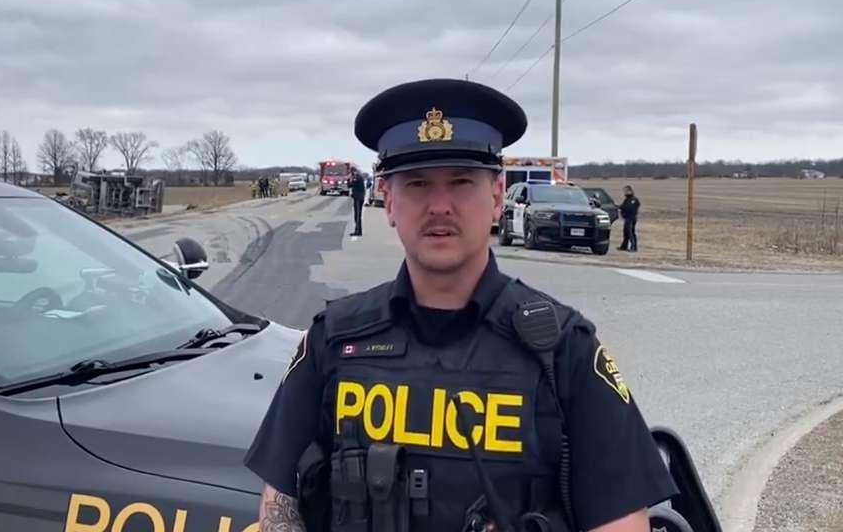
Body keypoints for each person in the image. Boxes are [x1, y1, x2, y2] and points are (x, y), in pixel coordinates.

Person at [244, 79, 677, 532]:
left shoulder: (565, 352)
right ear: (388, 201)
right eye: (416, 185)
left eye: (461, 183)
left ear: (496, 197)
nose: (439, 205)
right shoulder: (333, 341)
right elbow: (280, 509)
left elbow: (621, 523)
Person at [619, 185, 640, 251]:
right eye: (624, 191)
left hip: (631, 218)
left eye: (626, 191)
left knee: (631, 233)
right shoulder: (627, 199)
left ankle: (633, 247)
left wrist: (623, 208)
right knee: (626, 232)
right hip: (627, 218)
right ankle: (624, 246)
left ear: (630, 191)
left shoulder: (633, 200)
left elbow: (630, 208)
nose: (624, 192)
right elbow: (622, 206)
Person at [349, 170, 366, 236]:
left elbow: (350, 185)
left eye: (352, 173)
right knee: (357, 215)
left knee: (357, 215)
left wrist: (350, 179)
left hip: (358, 198)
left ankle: (357, 231)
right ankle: (359, 231)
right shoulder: (358, 177)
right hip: (359, 198)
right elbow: (350, 185)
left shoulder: (357, 178)